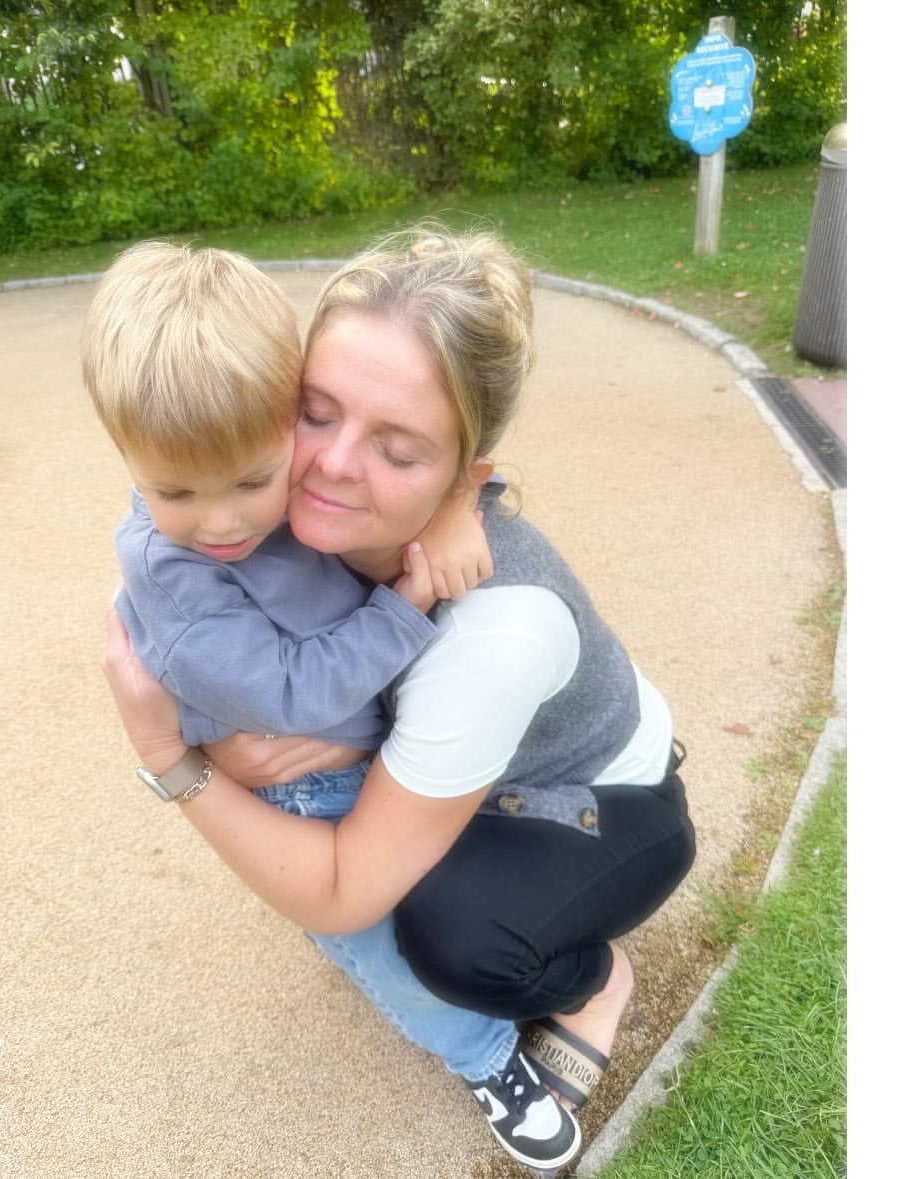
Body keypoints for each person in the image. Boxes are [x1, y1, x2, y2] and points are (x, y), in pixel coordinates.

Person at [100, 227, 697, 1171]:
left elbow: (340, 893)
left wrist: (171, 757)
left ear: (465, 472)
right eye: (315, 411)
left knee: (448, 938)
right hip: (474, 739)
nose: (332, 464)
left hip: (592, 801)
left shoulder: (491, 636)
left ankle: (591, 982)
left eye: (399, 448)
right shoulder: (275, 510)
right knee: (315, 830)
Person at [81, 241, 490, 807]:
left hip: (351, 739)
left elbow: (433, 434)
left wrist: (455, 506)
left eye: (252, 483)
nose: (221, 525)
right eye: (174, 493)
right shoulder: (177, 575)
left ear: (290, 415)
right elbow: (290, 694)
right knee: (374, 867)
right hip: (308, 780)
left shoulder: (269, 461)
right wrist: (406, 607)